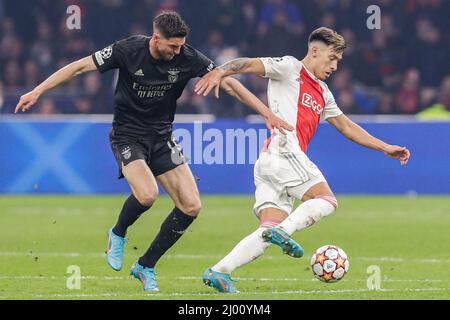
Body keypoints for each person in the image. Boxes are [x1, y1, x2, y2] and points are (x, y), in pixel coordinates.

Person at [14, 11, 292, 292]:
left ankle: (145, 266)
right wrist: (38, 90)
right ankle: (118, 233)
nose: (177, 51)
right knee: (147, 195)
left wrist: (265, 112)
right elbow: (78, 67)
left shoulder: (187, 56)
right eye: (172, 46)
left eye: (181, 46)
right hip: (127, 136)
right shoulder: (128, 50)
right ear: (156, 38)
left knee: (191, 206)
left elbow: (229, 82)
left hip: (161, 138)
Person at [194, 27, 411, 293]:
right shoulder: (289, 67)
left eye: (338, 61)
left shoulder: (323, 92)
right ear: (315, 51)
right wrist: (220, 70)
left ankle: (219, 271)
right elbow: (248, 64)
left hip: (271, 162)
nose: (334, 65)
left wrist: (385, 147)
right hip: (284, 150)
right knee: (326, 200)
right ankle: (284, 231)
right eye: (331, 58)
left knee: (267, 230)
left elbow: (345, 126)